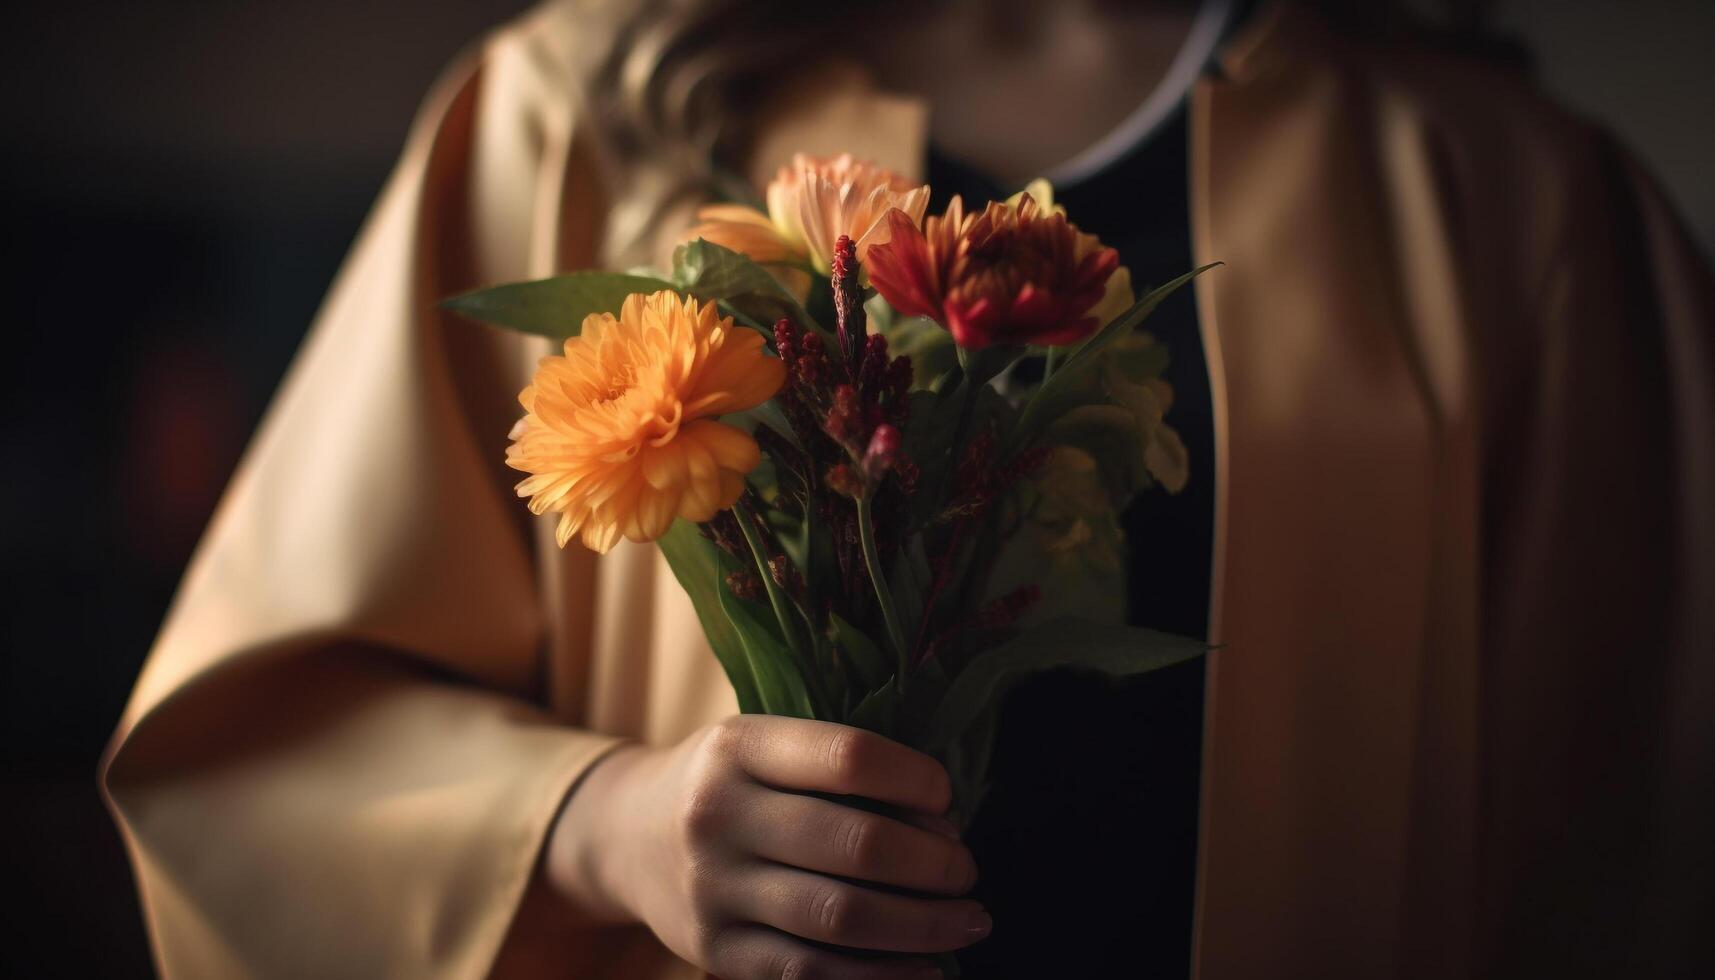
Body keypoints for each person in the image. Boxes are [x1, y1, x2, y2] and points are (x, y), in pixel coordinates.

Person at [101, 0, 1713, 977]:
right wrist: (604, 828)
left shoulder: (1512, 205)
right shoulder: (576, 114)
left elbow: (1636, 846)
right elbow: (268, 742)